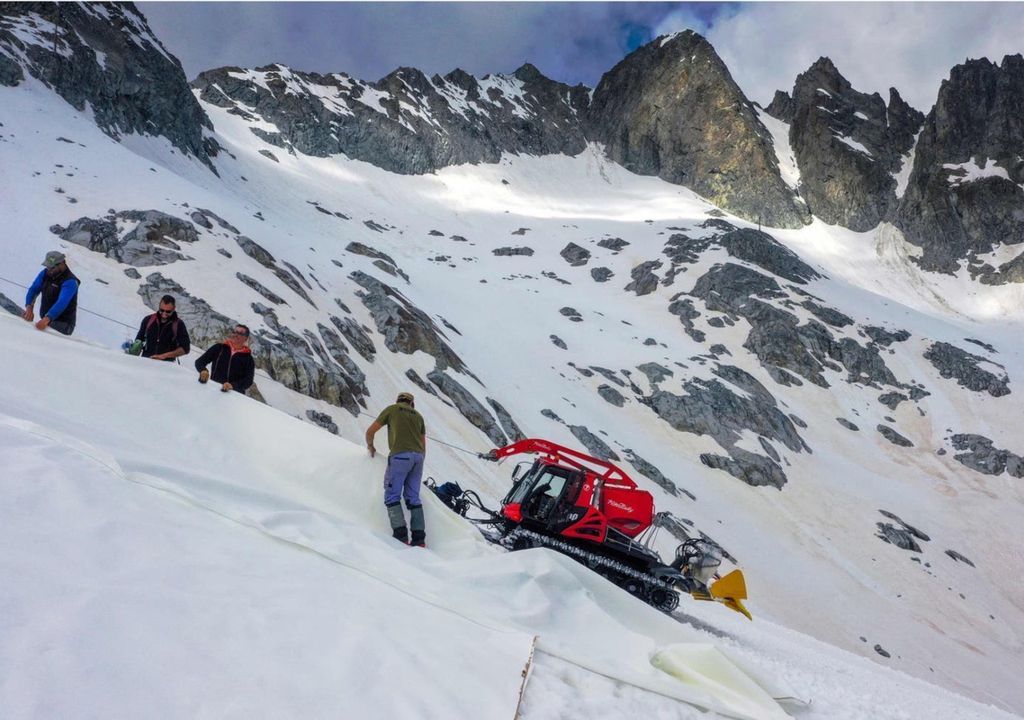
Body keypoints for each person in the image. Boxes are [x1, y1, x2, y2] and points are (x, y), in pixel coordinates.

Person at [365, 392, 427, 546]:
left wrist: (371, 446)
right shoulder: (419, 416)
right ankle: (419, 540)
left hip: (400, 456)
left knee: (392, 495)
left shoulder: (392, 410)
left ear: (398, 400)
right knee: (413, 498)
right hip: (418, 458)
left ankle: (400, 537)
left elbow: (370, 431)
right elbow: (423, 444)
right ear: (412, 403)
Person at [23, 250, 80, 335]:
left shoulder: (70, 281)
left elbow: (62, 302)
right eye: (47, 267)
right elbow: (34, 289)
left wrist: (47, 318)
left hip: (63, 324)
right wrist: (29, 307)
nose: (49, 270)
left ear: (61, 264)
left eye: (52, 267)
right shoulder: (45, 273)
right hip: (47, 319)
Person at [194, 324, 255, 394]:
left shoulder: (248, 359)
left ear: (246, 338)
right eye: (234, 332)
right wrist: (203, 370)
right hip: (213, 390)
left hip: (234, 395)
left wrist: (232, 385)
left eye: (240, 333)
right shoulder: (219, 348)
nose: (235, 334)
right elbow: (199, 362)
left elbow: (248, 380)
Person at [134, 295, 191, 361]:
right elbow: (139, 340)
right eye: (162, 310)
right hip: (146, 361)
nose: (164, 313)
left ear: (174, 308)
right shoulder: (148, 319)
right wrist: (133, 348)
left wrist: (164, 356)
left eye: (168, 311)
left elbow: (185, 349)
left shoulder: (179, 324)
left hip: (166, 366)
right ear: (159, 306)